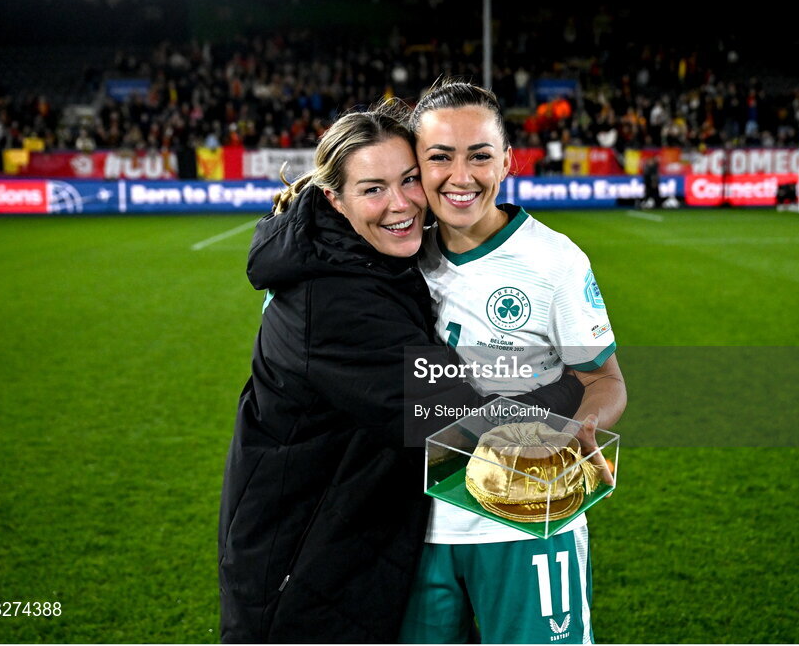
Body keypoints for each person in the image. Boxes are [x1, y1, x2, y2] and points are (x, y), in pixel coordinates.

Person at [217, 101, 585, 643]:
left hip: (334, 550)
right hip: (303, 577)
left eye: (409, 179)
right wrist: (573, 385)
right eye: (373, 189)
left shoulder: (354, 259)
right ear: (333, 199)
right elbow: (459, 422)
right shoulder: (336, 301)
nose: (401, 204)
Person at [400, 80, 627, 644]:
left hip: (529, 523)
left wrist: (584, 426)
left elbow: (603, 378)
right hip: (414, 533)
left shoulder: (554, 261)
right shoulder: (398, 255)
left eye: (479, 156)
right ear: (417, 167)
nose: (461, 176)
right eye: (440, 157)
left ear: (507, 160)